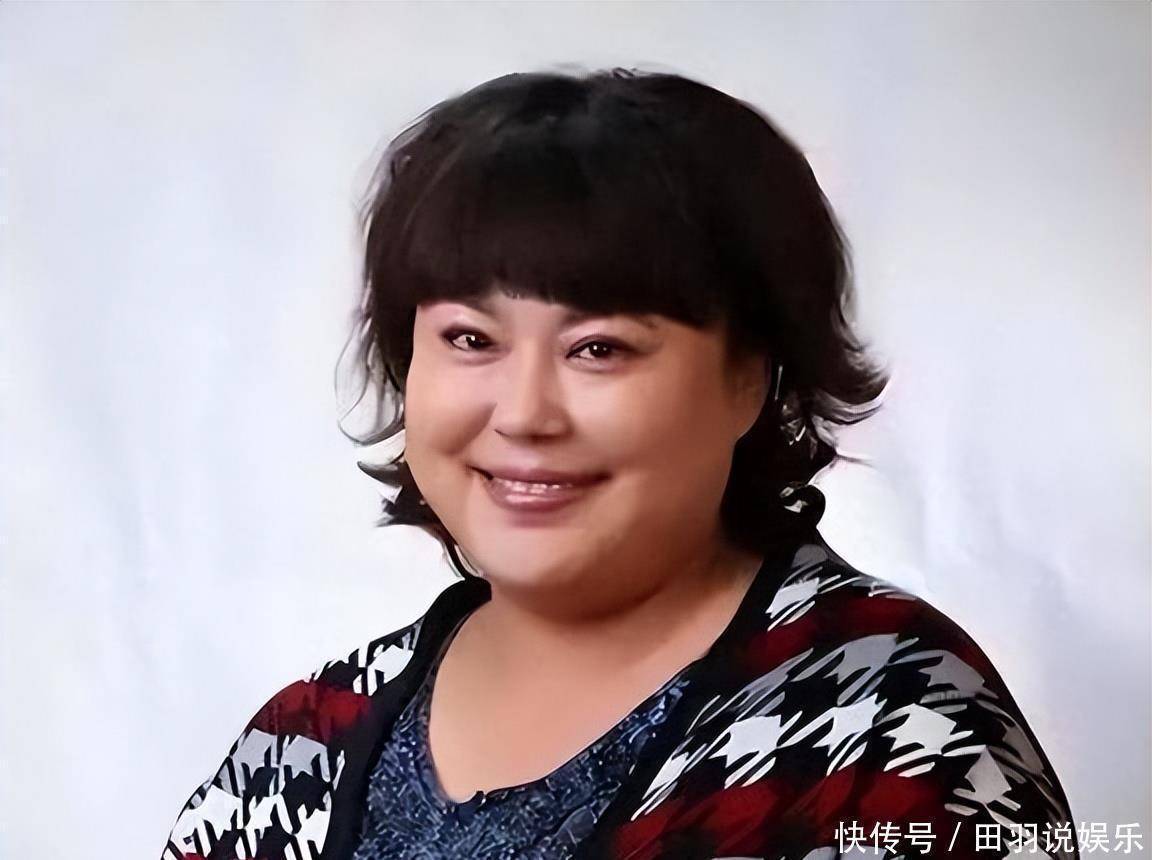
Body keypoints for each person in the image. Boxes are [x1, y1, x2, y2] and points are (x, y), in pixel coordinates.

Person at [161, 67, 1079, 860]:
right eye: (470, 338)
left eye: (598, 349)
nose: (524, 413)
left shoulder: (889, 730)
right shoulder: (304, 745)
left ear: (750, 377)